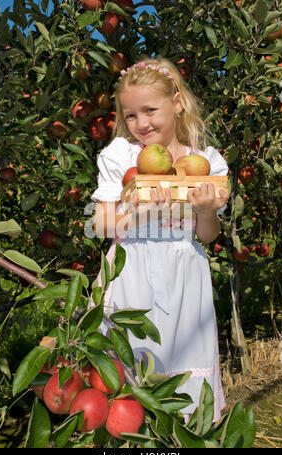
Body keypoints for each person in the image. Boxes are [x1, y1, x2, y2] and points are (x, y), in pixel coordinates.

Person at [90, 56, 229, 422]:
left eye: (150, 110)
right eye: (130, 114)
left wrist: (205, 212)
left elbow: (208, 236)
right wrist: (140, 213)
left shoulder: (204, 162)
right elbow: (101, 225)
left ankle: (184, 435)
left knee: (184, 364)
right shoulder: (122, 156)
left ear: (177, 103)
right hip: (132, 272)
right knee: (129, 370)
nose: (140, 123)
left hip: (185, 275)